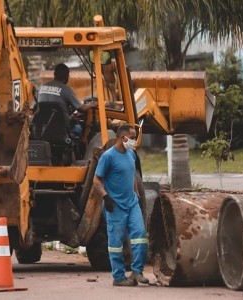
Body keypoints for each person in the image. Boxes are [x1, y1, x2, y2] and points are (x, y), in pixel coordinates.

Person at [93, 124, 148, 287]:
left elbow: (131, 175)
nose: (133, 141)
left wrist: (136, 193)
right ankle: (118, 277)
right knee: (116, 244)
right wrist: (106, 197)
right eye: (131, 137)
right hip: (115, 206)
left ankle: (137, 271)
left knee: (140, 235)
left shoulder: (131, 154)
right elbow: (96, 180)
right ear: (122, 138)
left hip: (132, 204)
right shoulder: (108, 157)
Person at [37, 63, 97, 137]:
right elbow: (81, 108)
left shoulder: (41, 87)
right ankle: (80, 148)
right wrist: (92, 104)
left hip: (42, 128)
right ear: (67, 77)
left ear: (54, 74)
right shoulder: (66, 89)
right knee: (79, 128)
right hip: (61, 129)